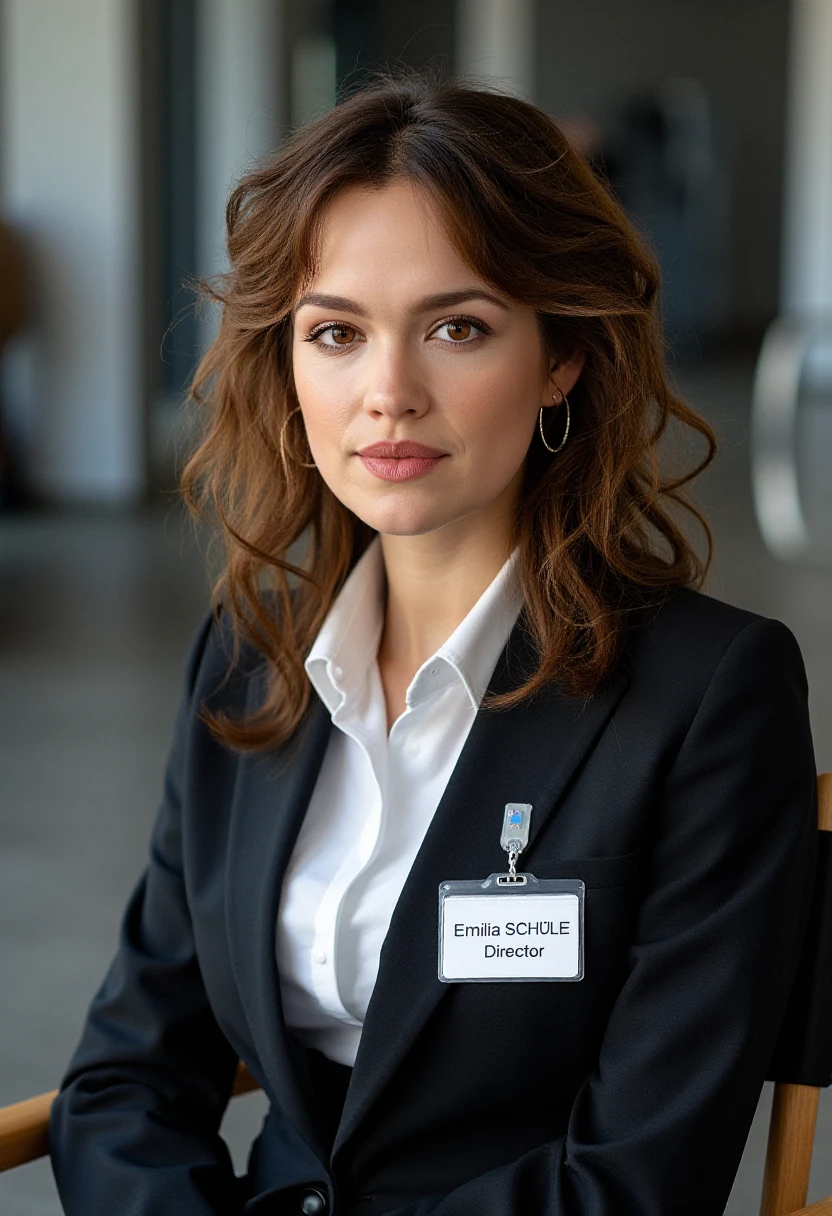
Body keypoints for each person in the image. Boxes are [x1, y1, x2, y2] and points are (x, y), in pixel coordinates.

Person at [49, 72, 817, 1216]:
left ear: (561, 356)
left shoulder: (708, 693)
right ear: (289, 361)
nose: (388, 394)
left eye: (457, 327)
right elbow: (127, 1077)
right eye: (337, 333)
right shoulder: (247, 658)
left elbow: (638, 1179)